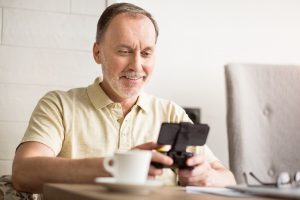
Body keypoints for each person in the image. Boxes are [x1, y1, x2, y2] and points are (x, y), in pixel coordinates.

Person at [12, 2, 236, 194]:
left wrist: (206, 177)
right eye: (124, 51)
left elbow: (228, 178)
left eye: (146, 53)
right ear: (97, 53)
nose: (137, 66)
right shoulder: (59, 105)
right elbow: (23, 172)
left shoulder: (171, 112)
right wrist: (116, 167)